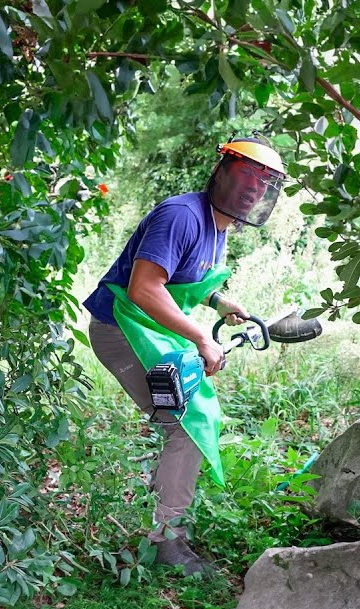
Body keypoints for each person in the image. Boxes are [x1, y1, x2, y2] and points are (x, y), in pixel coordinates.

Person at [82, 137, 288, 575]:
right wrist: (200, 336)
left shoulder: (220, 225)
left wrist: (217, 302)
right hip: (122, 329)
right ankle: (166, 541)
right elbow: (144, 288)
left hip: (152, 331)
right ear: (223, 171)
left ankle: (164, 512)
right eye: (246, 174)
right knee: (188, 426)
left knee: (187, 416)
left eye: (263, 182)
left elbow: (184, 279)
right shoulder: (182, 216)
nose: (254, 187)